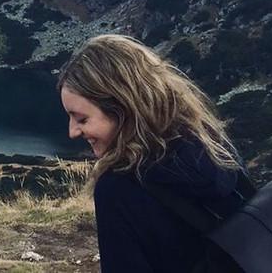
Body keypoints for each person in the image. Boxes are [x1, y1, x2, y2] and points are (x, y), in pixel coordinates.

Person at [57, 34, 245, 273]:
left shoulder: (119, 189)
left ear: (122, 109)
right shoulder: (212, 145)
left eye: (82, 118)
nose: (72, 131)